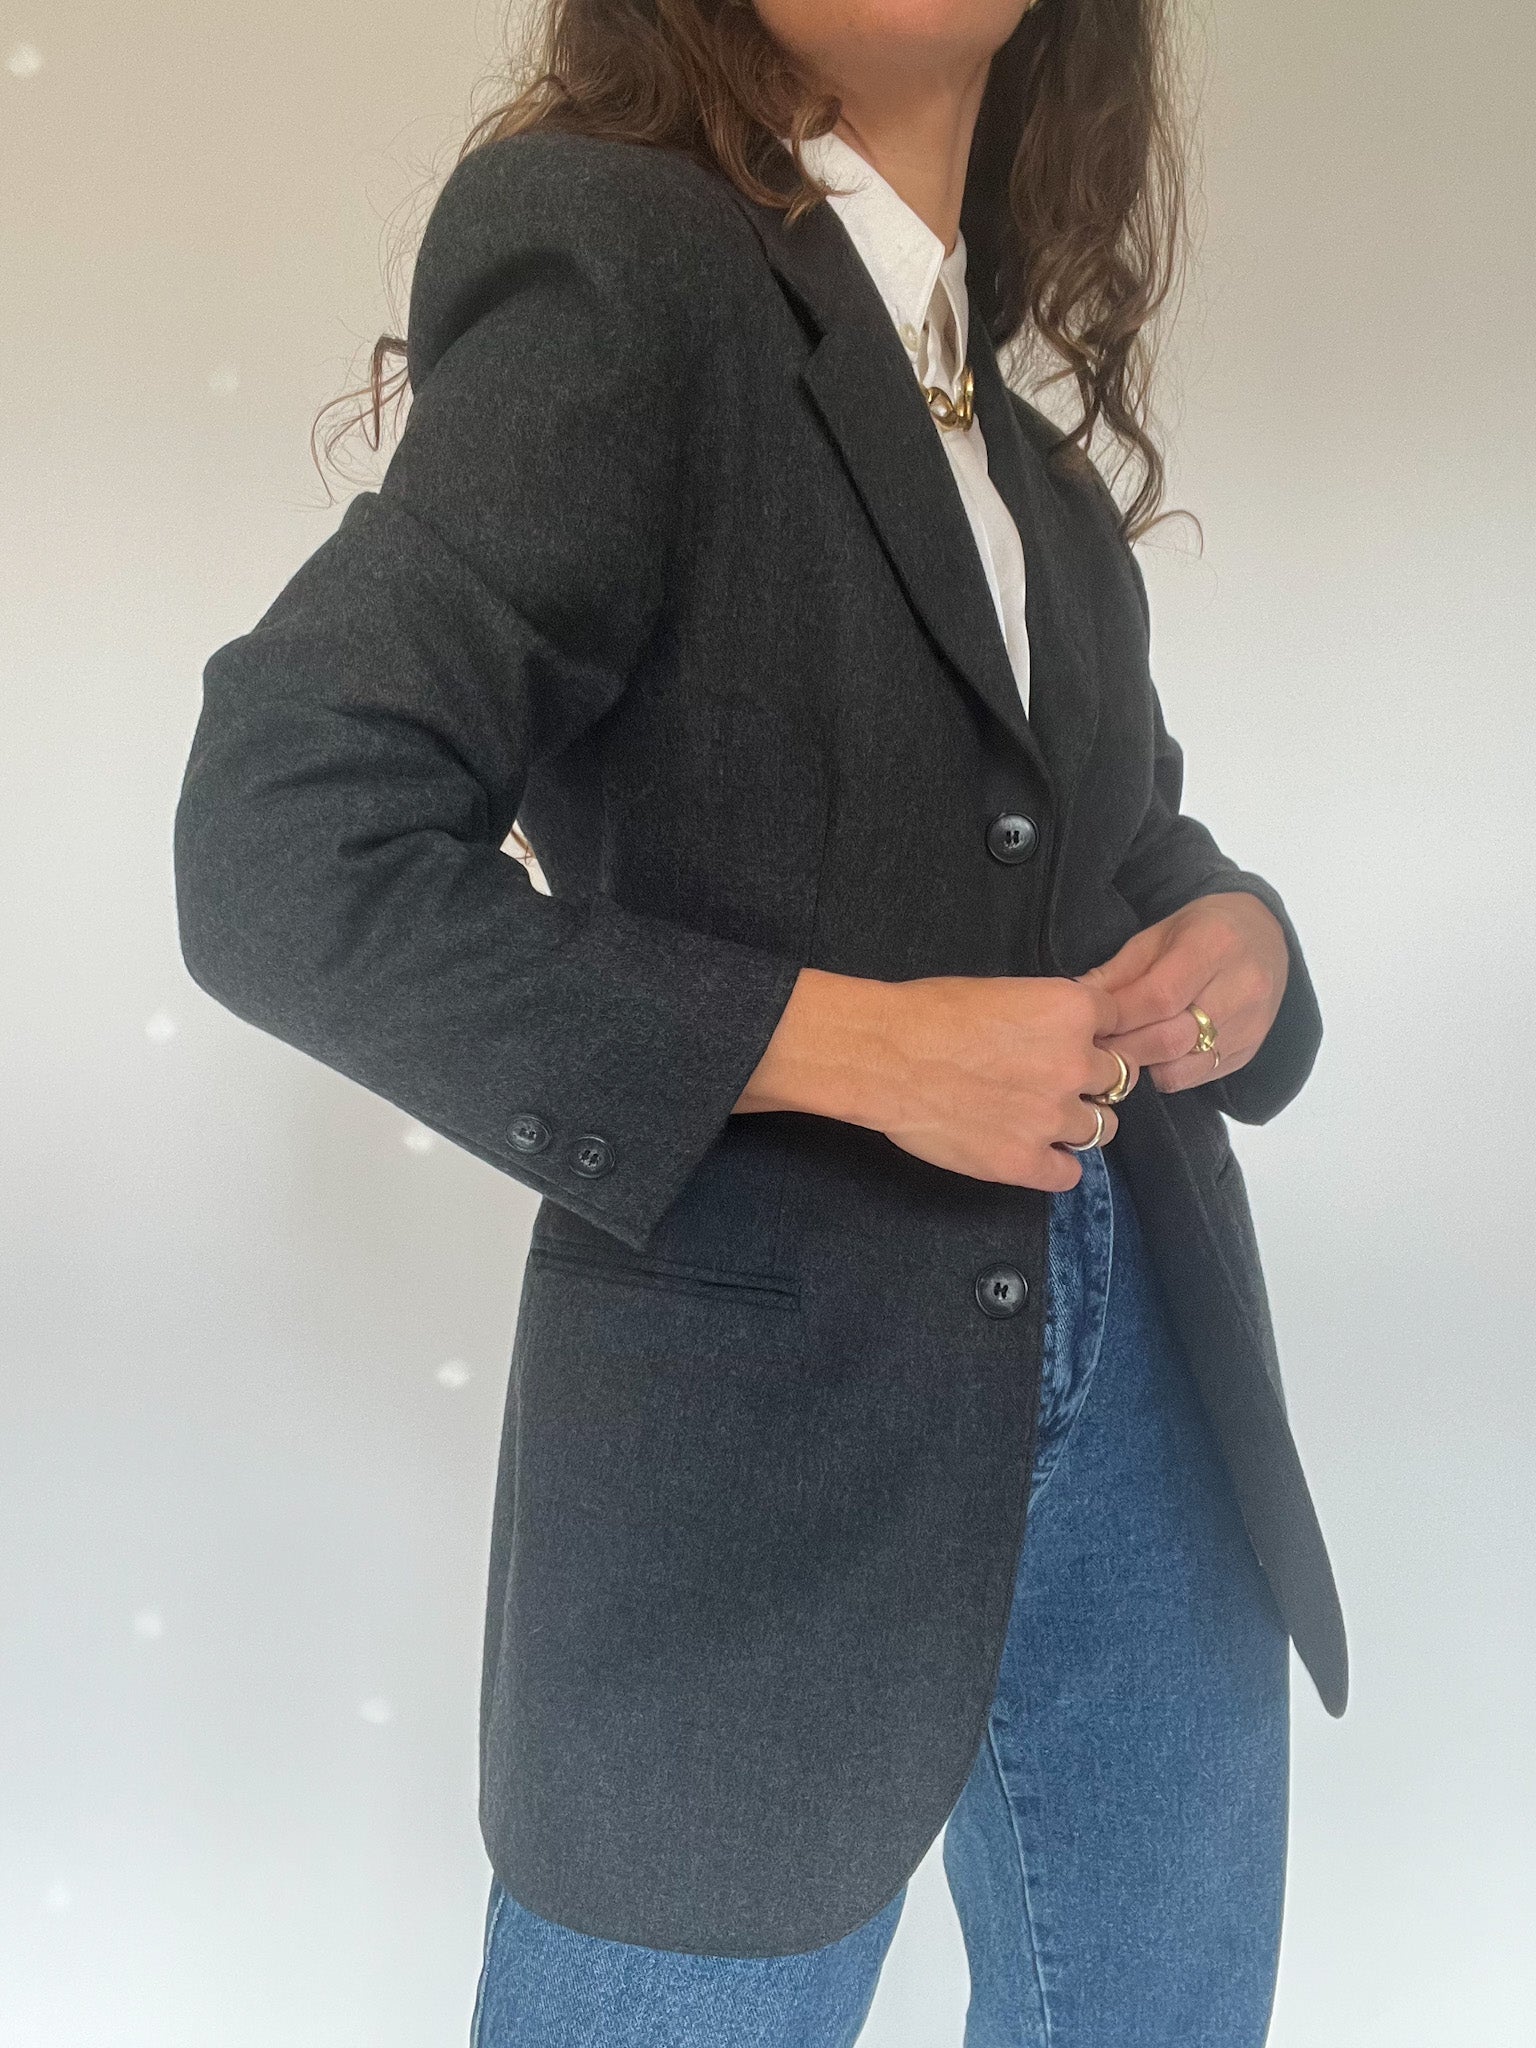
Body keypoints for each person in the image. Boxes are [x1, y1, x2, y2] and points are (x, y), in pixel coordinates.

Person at [173, 0, 1350, 2038]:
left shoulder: (1018, 445)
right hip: (761, 1435)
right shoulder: (623, 261)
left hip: (1148, 1372)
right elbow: (284, 841)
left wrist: (1235, 930)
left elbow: (1103, 831)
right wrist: (853, 1046)